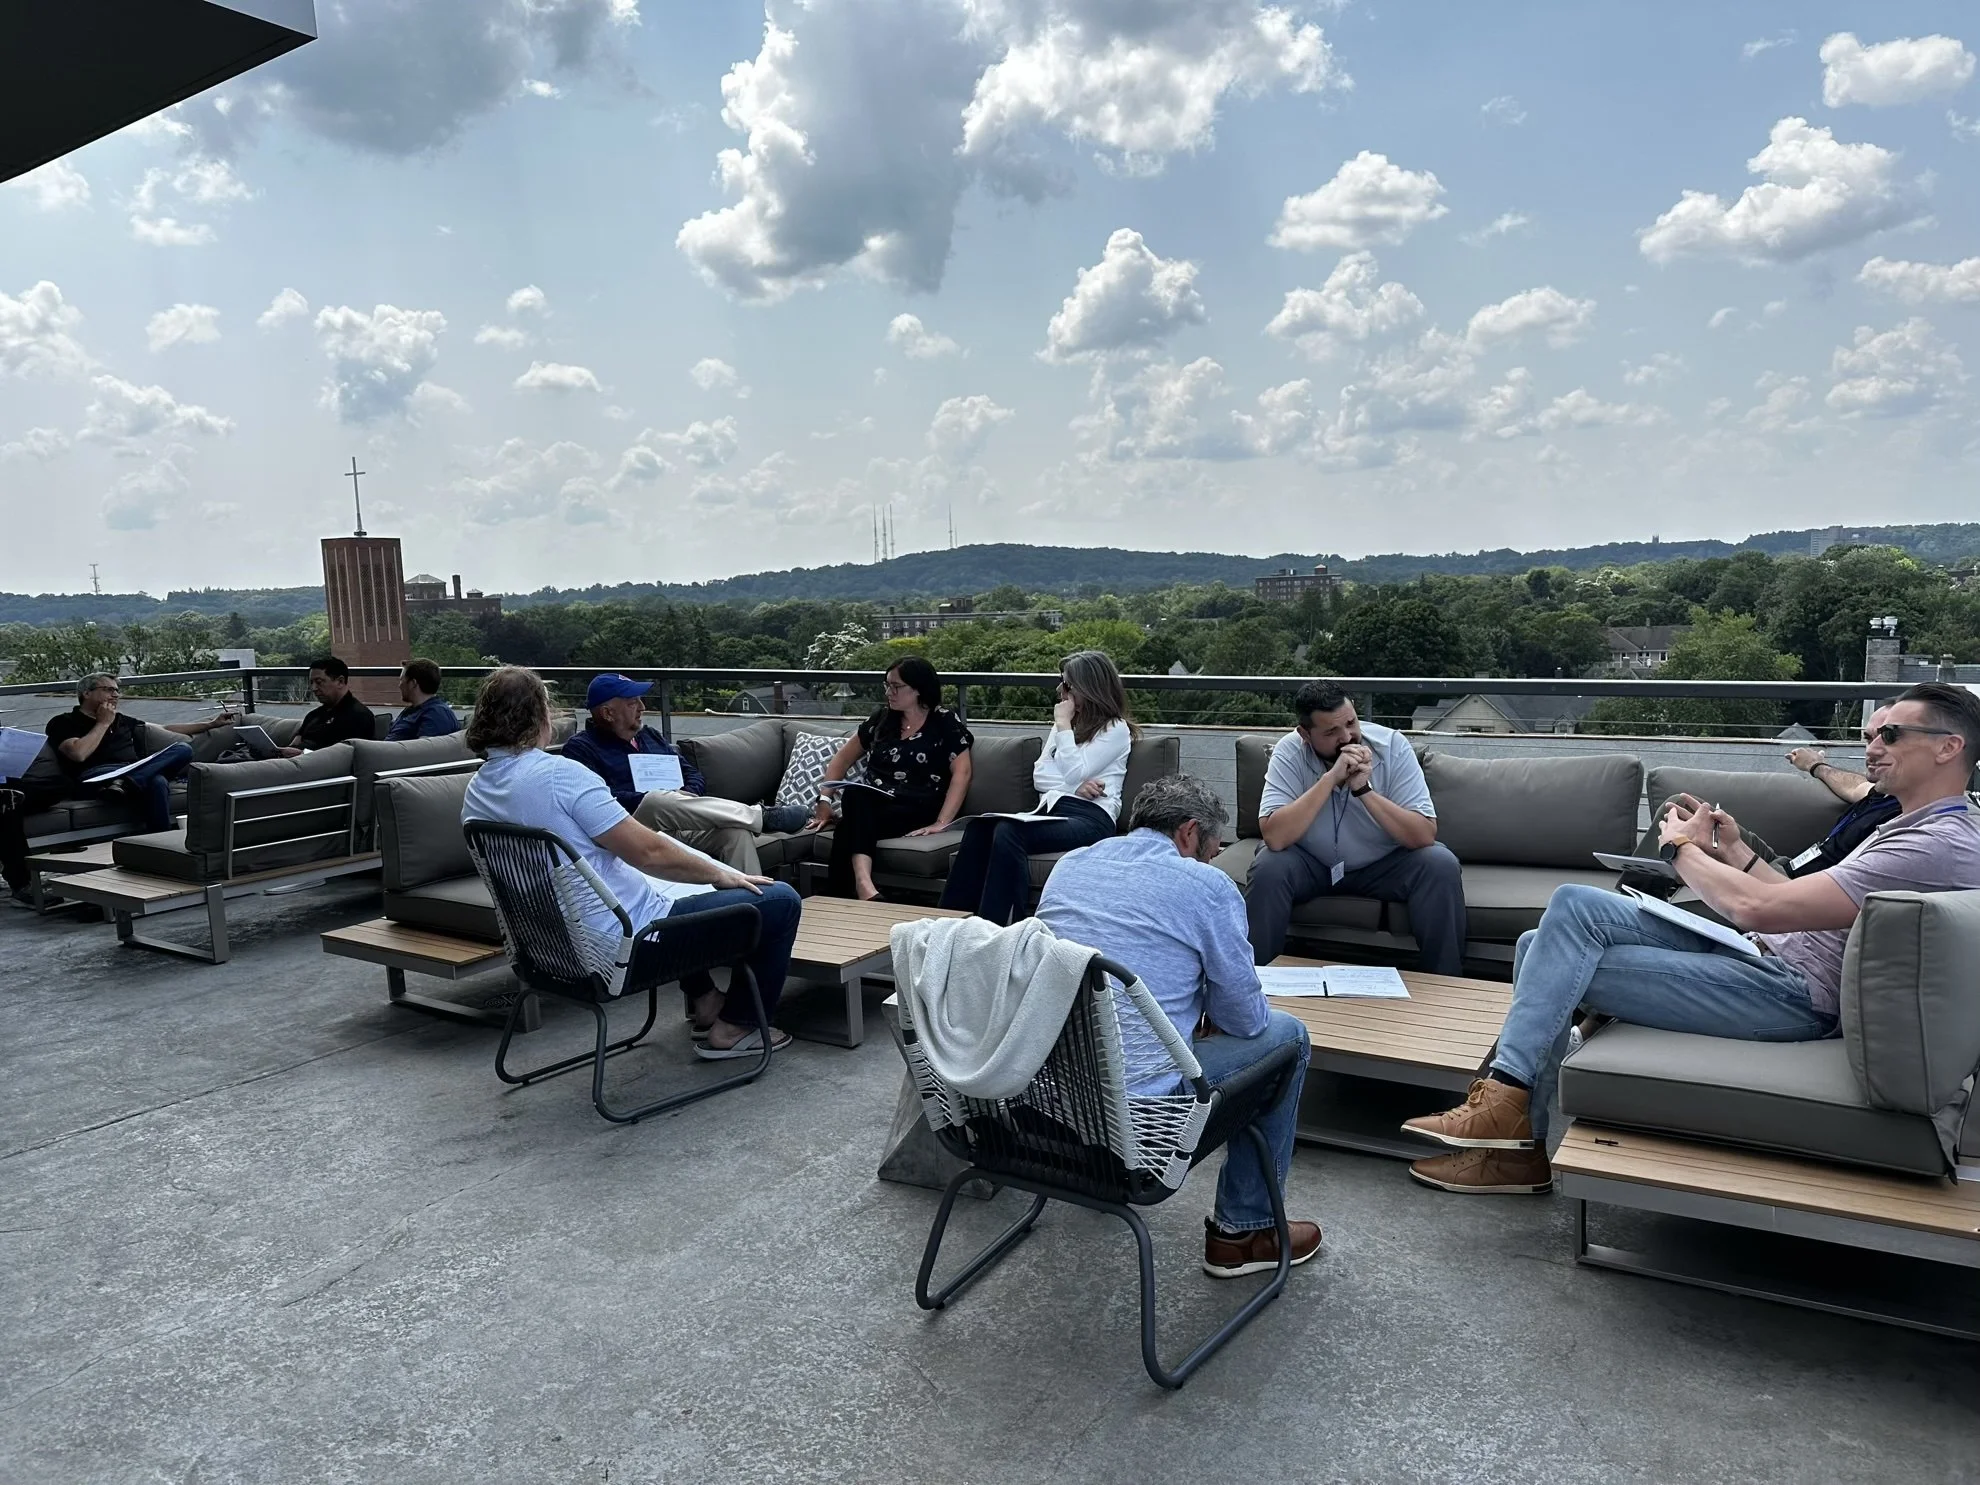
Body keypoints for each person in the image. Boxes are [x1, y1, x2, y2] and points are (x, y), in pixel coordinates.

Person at [1403, 682, 1980, 1195]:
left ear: (1948, 747)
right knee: (1568, 911)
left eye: (1890, 734)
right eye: (1871, 734)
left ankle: (1509, 1124)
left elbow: (1762, 907)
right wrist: (1732, 849)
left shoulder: (1932, 844)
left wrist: (1680, 848)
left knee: (1542, 950)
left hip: (1794, 996)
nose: (1872, 747)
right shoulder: (1911, 826)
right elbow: (1799, 906)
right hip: (1764, 959)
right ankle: (1509, 1124)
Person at [1034, 773, 1322, 1279]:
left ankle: (1093, 1176)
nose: (1212, 859)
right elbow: (1247, 1020)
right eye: (1213, 849)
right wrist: (1207, 1006)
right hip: (1139, 1121)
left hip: (1045, 1103)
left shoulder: (1069, 866)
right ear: (1189, 833)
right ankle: (1244, 1230)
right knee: (1288, 1035)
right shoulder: (1205, 885)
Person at [460, 666, 802, 1060]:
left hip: (544, 952)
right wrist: (722, 874)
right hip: (622, 947)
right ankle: (736, 1027)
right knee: (780, 901)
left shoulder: (478, 790)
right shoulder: (561, 775)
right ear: (539, 716)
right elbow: (649, 853)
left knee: (674, 885)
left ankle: (707, 1001)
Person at [1245, 680, 1466, 974]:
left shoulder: (1393, 746)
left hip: (1383, 864)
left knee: (1440, 863)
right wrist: (1331, 779)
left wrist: (1364, 791)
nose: (1347, 737)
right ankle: (1254, 984)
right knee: (1269, 866)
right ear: (1305, 735)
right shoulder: (1289, 751)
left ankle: (1446, 984)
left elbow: (1424, 834)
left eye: (1351, 722)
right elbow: (1274, 836)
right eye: (1331, 732)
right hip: (1312, 863)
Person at [939, 650, 1133, 924]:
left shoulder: (1115, 729)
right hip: (1053, 809)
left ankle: (1000, 926)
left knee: (1009, 832)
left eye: (1066, 684)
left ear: (1088, 687)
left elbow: (1076, 769)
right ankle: (948, 922)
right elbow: (1039, 775)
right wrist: (1075, 785)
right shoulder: (1063, 727)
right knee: (980, 828)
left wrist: (1064, 726)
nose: (1059, 690)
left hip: (1092, 818)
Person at [561, 674, 810, 874]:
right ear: (607, 713)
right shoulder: (581, 749)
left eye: (639, 700)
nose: (642, 707)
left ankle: (758, 910)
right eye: (632, 702)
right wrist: (657, 798)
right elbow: (600, 801)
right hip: (633, 829)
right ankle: (761, 816)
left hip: (678, 820)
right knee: (657, 799)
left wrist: (685, 796)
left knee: (734, 833)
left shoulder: (650, 737)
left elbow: (693, 774)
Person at [807, 657, 973, 902]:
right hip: (873, 806)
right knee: (855, 801)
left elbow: (963, 772)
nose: (889, 692)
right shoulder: (882, 719)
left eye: (896, 687)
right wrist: (824, 802)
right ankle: (865, 889)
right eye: (886, 685)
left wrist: (942, 822)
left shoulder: (944, 722)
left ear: (917, 689)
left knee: (848, 824)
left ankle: (839, 897)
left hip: (916, 808)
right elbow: (841, 760)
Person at [43, 673, 236, 832]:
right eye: (109, 690)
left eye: (117, 691)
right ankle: (161, 841)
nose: (116, 695)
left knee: (182, 749)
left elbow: (165, 728)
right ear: (86, 693)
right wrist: (103, 723)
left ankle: (129, 786)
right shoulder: (63, 721)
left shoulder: (122, 720)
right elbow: (78, 754)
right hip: (93, 778)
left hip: (128, 773)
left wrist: (212, 724)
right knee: (157, 781)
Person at [277, 657, 375, 755]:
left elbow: (345, 758)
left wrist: (302, 754)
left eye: (319, 682)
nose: (313, 688)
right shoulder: (313, 715)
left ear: (340, 681)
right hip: (293, 764)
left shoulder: (358, 716)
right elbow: (295, 742)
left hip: (320, 766)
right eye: (311, 683)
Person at [385, 659, 462, 741]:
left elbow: (424, 751)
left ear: (413, 683)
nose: (399, 685)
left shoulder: (437, 714)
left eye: (401, 680)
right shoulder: (412, 710)